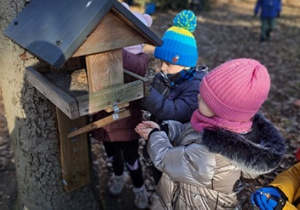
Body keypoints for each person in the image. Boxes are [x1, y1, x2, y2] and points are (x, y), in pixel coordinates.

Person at [135, 58, 286, 209]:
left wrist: (155, 135)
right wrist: (167, 129)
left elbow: (166, 160)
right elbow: (190, 130)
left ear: (223, 111)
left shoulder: (210, 154)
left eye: (205, 99)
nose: (198, 97)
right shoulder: (227, 126)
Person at [91, 3, 152, 209]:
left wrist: (113, 47)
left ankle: (138, 188)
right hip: (104, 121)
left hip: (126, 123)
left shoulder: (138, 60)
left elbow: (138, 67)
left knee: (132, 158)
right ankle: (118, 176)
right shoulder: (97, 56)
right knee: (112, 155)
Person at [139, 10, 207, 185]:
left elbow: (175, 112)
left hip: (175, 148)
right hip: (158, 138)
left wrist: (144, 92)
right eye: (160, 62)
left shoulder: (194, 87)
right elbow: (153, 102)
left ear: (186, 64)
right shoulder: (164, 77)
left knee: (168, 181)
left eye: (168, 63)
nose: (162, 68)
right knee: (157, 175)